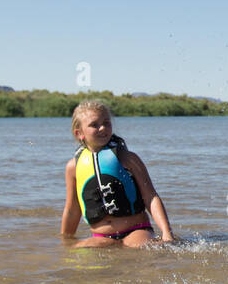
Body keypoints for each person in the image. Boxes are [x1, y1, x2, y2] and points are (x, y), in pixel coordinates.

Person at [61, 100, 174, 247]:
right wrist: (65, 240)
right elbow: (72, 209)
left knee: (142, 249)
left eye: (106, 123)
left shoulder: (128, 158)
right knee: (78, 251)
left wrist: (167, 232)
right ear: (79, 133)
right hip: (101, 236)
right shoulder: (73, 167)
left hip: (136, 230)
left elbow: (150, 196)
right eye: (94, 125)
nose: (102, 128)